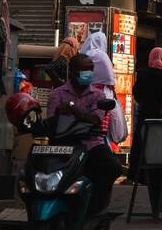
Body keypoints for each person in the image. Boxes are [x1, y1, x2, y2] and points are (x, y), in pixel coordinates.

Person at [46, 54, 119, 215]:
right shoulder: (57, 95)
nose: (88, 73)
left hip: (91, 145)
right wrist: (60, 112)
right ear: (72, 72)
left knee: (113, 167)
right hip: (63, 147)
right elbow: (50, 123)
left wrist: (73, 110)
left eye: (91, 70)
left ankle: (93, 210)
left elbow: (95, 119)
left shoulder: (97, 95)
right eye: (84, 70)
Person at [130, 46, 162, 176]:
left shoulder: (143, 74)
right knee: (160, 148)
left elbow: (136, 93)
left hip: (145, 116)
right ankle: (157, 176)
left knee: (140, 145)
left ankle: (136, 175)